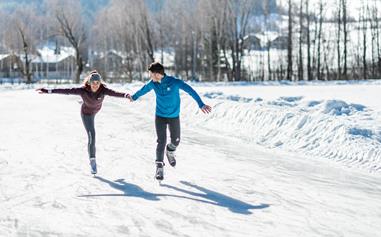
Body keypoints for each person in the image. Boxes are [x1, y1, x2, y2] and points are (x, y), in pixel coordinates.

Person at [127, 62, 212, 181]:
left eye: (151, 74)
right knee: (161, 141)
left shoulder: (174, 82)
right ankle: (159, 167)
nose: (150, 76)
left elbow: (190, 90)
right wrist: (134, 97)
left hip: (173, 116)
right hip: (160, 116)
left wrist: (201, 104)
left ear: (157, 74)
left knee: (176, 141)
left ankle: (170, 151)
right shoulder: (153, 84)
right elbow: (143, 90)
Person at [36, 71, 130, 175]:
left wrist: (126, 95)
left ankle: (85, 102)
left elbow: (115, 93)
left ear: (100, 83)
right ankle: (92, 161)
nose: (95, 85)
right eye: (93, 83)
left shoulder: (103, 90)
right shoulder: (83, 90)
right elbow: (66, 91)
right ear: (89, 83)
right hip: (87, 114)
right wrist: (48, 91)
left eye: (97, 83)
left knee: (91, 103)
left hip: (96, 109)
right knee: (92, 136)